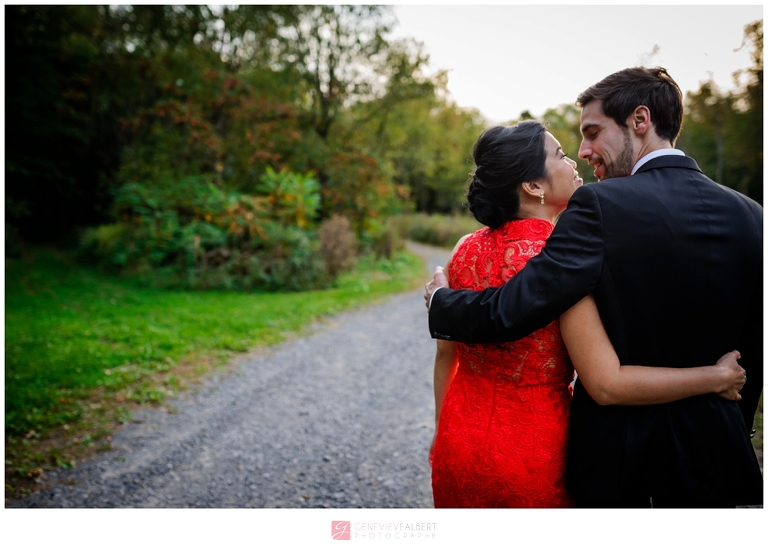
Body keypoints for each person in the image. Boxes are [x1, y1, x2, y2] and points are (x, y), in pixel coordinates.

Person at [426, 67, 763, 508]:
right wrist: (733, 415)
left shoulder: (602, 205)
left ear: (639, 121)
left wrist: (440, 303)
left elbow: (514, 307)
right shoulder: (753, 216)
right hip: (717, 453)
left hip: (620, 460)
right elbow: (754, 342)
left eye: (592, 132)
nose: (584, 151)